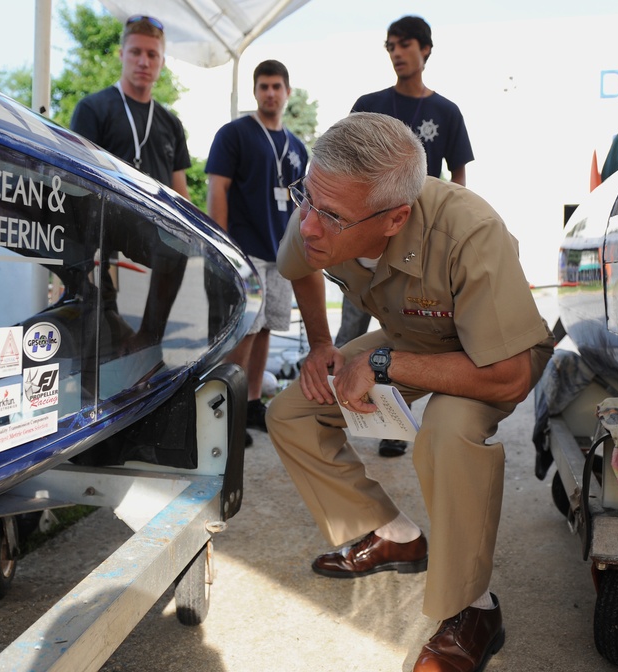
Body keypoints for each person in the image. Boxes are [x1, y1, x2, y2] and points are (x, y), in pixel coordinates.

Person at [265, 112, 553, 672]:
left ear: (395, 218)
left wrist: (378, 362)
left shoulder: (469, 231)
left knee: (447, 431)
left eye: (331, 216)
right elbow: (293, 263)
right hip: (406, 333)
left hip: (486, 353)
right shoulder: (322, 207)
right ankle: (396, 536)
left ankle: (474, 608)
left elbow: (511, 376)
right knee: (293, 410)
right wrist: (323, 345)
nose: (310, 226)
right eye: (307, 199)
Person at [334, 16, 475, 458]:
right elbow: (345, 165)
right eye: (390, 45)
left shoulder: (447, 112)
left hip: (418, 245)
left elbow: (458, 180)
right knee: (353, 325)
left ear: (426, 50)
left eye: (405, 44)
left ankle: (395, 425)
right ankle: (339, 411)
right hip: (365, 239)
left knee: (408, 332)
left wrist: (457, 238)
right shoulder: (369, 104)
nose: (396, 52)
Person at [69, 15, 191, 347]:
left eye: (152, 55)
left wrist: (199, 233)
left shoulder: (171, 123)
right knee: (93, 320)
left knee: (179, 248)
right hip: (99, 220)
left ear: (162, 62)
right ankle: (103, 326)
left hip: (150, 222)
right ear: (121, 54)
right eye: (136, 52)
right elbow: (75, 179)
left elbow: (181, 191)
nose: (144, 61)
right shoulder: (93, 108)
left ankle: (148, 343)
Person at [205, 61, 309, 444]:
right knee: (245, 328)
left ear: (288, 92)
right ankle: (224, 407)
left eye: (277, 86)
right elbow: (217, 188)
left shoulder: (297, 147)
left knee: (267, 326)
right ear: (255, 91)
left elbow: (302, 204)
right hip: (244, 249)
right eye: (263, 86)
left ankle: (250, 403)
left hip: (281, 251)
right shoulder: (235, 134)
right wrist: (221, 243)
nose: (270, 93)